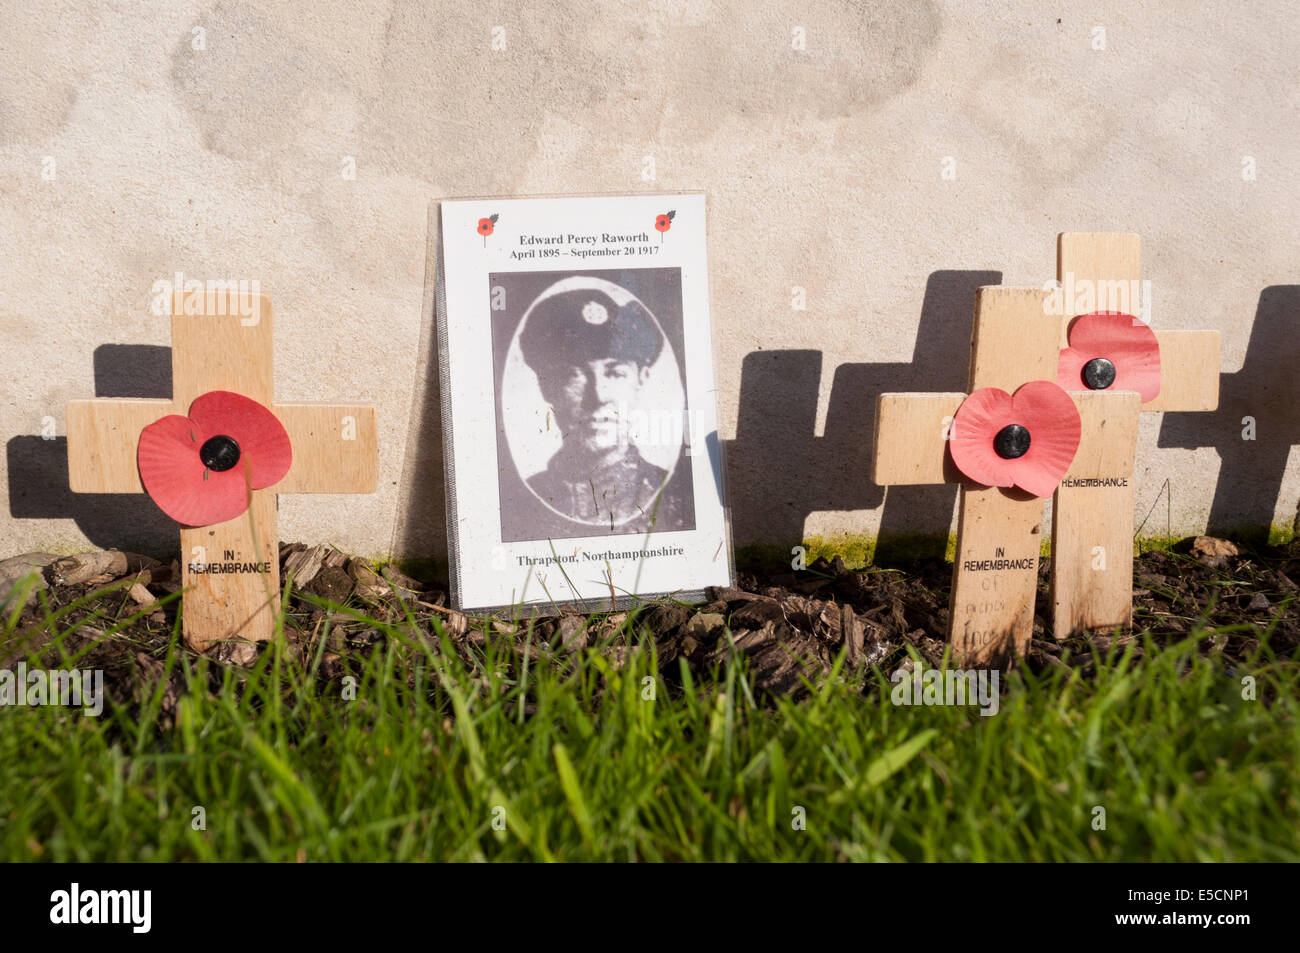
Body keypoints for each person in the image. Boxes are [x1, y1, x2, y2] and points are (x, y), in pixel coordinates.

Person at [517, 284, 692, 533]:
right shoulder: (522, 503)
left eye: (615, 374)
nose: (598, 397)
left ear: (641, 378)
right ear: (547, 387)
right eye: (573, 376)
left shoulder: (679, 496)